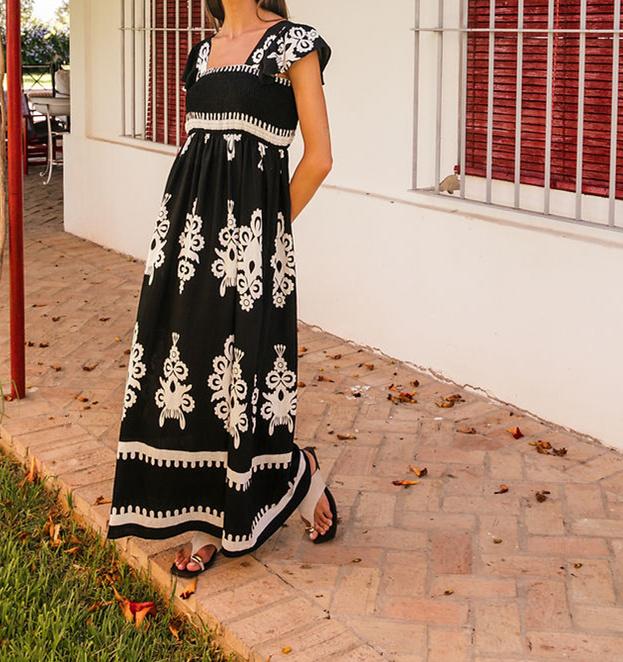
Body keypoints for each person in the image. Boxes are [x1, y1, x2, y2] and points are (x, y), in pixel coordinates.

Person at [106, 0, 337, 578]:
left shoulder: (295, 44)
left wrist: (266, 230)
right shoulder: (201, 53)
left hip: (251, 246)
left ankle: (238, 506)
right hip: (184, 242)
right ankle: (254, 490)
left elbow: (320, 158)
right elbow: (198, 153)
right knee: (186, 361)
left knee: (244, 367)